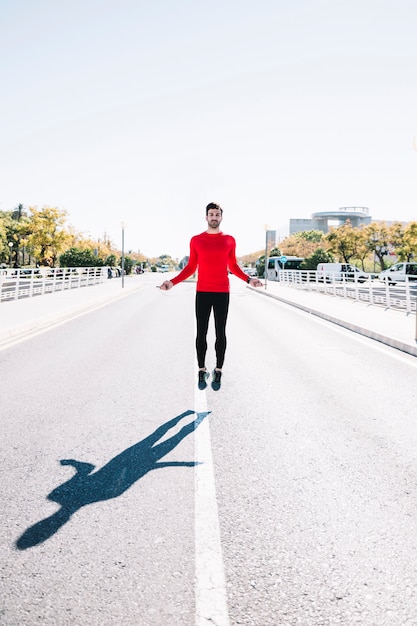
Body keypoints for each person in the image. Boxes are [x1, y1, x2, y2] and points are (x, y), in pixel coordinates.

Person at [159, 202, 263, 389]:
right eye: (211, 214)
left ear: (221, 217)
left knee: (220, 332)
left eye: (217, 214)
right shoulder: (196, 240)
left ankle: (219, 370)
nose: (214, 217)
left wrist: (249, 280)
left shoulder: (229, 240)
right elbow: (191, 267)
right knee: (201, 332)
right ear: (206, 217)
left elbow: (233, 266)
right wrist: (172, 282)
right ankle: (201, 370)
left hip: (222, 292)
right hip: (203, 292)